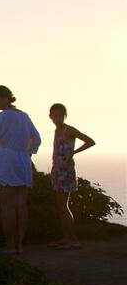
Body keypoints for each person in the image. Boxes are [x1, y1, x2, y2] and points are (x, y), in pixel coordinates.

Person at [0, 85, 41, 255]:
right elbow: (37, 139)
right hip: (22, 162)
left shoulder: (2, 117)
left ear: (5, 98)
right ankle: (20, 245)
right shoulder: (24, 116)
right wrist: (27, 153)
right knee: (21, 205)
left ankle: (10, 246)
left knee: (7, 206)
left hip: (5, 162)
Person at [47, 103, 96, 250]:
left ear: (65, 116)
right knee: (60, 206)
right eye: (55, 115)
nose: (57, 118)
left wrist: (73, 152)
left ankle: (73, 239)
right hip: (57, 170)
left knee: (64, 206)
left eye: (60, 115)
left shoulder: (69, 130)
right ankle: (66, 237)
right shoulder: (56, 131)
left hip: (66, 171)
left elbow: (90, 141)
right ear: (50, 116)